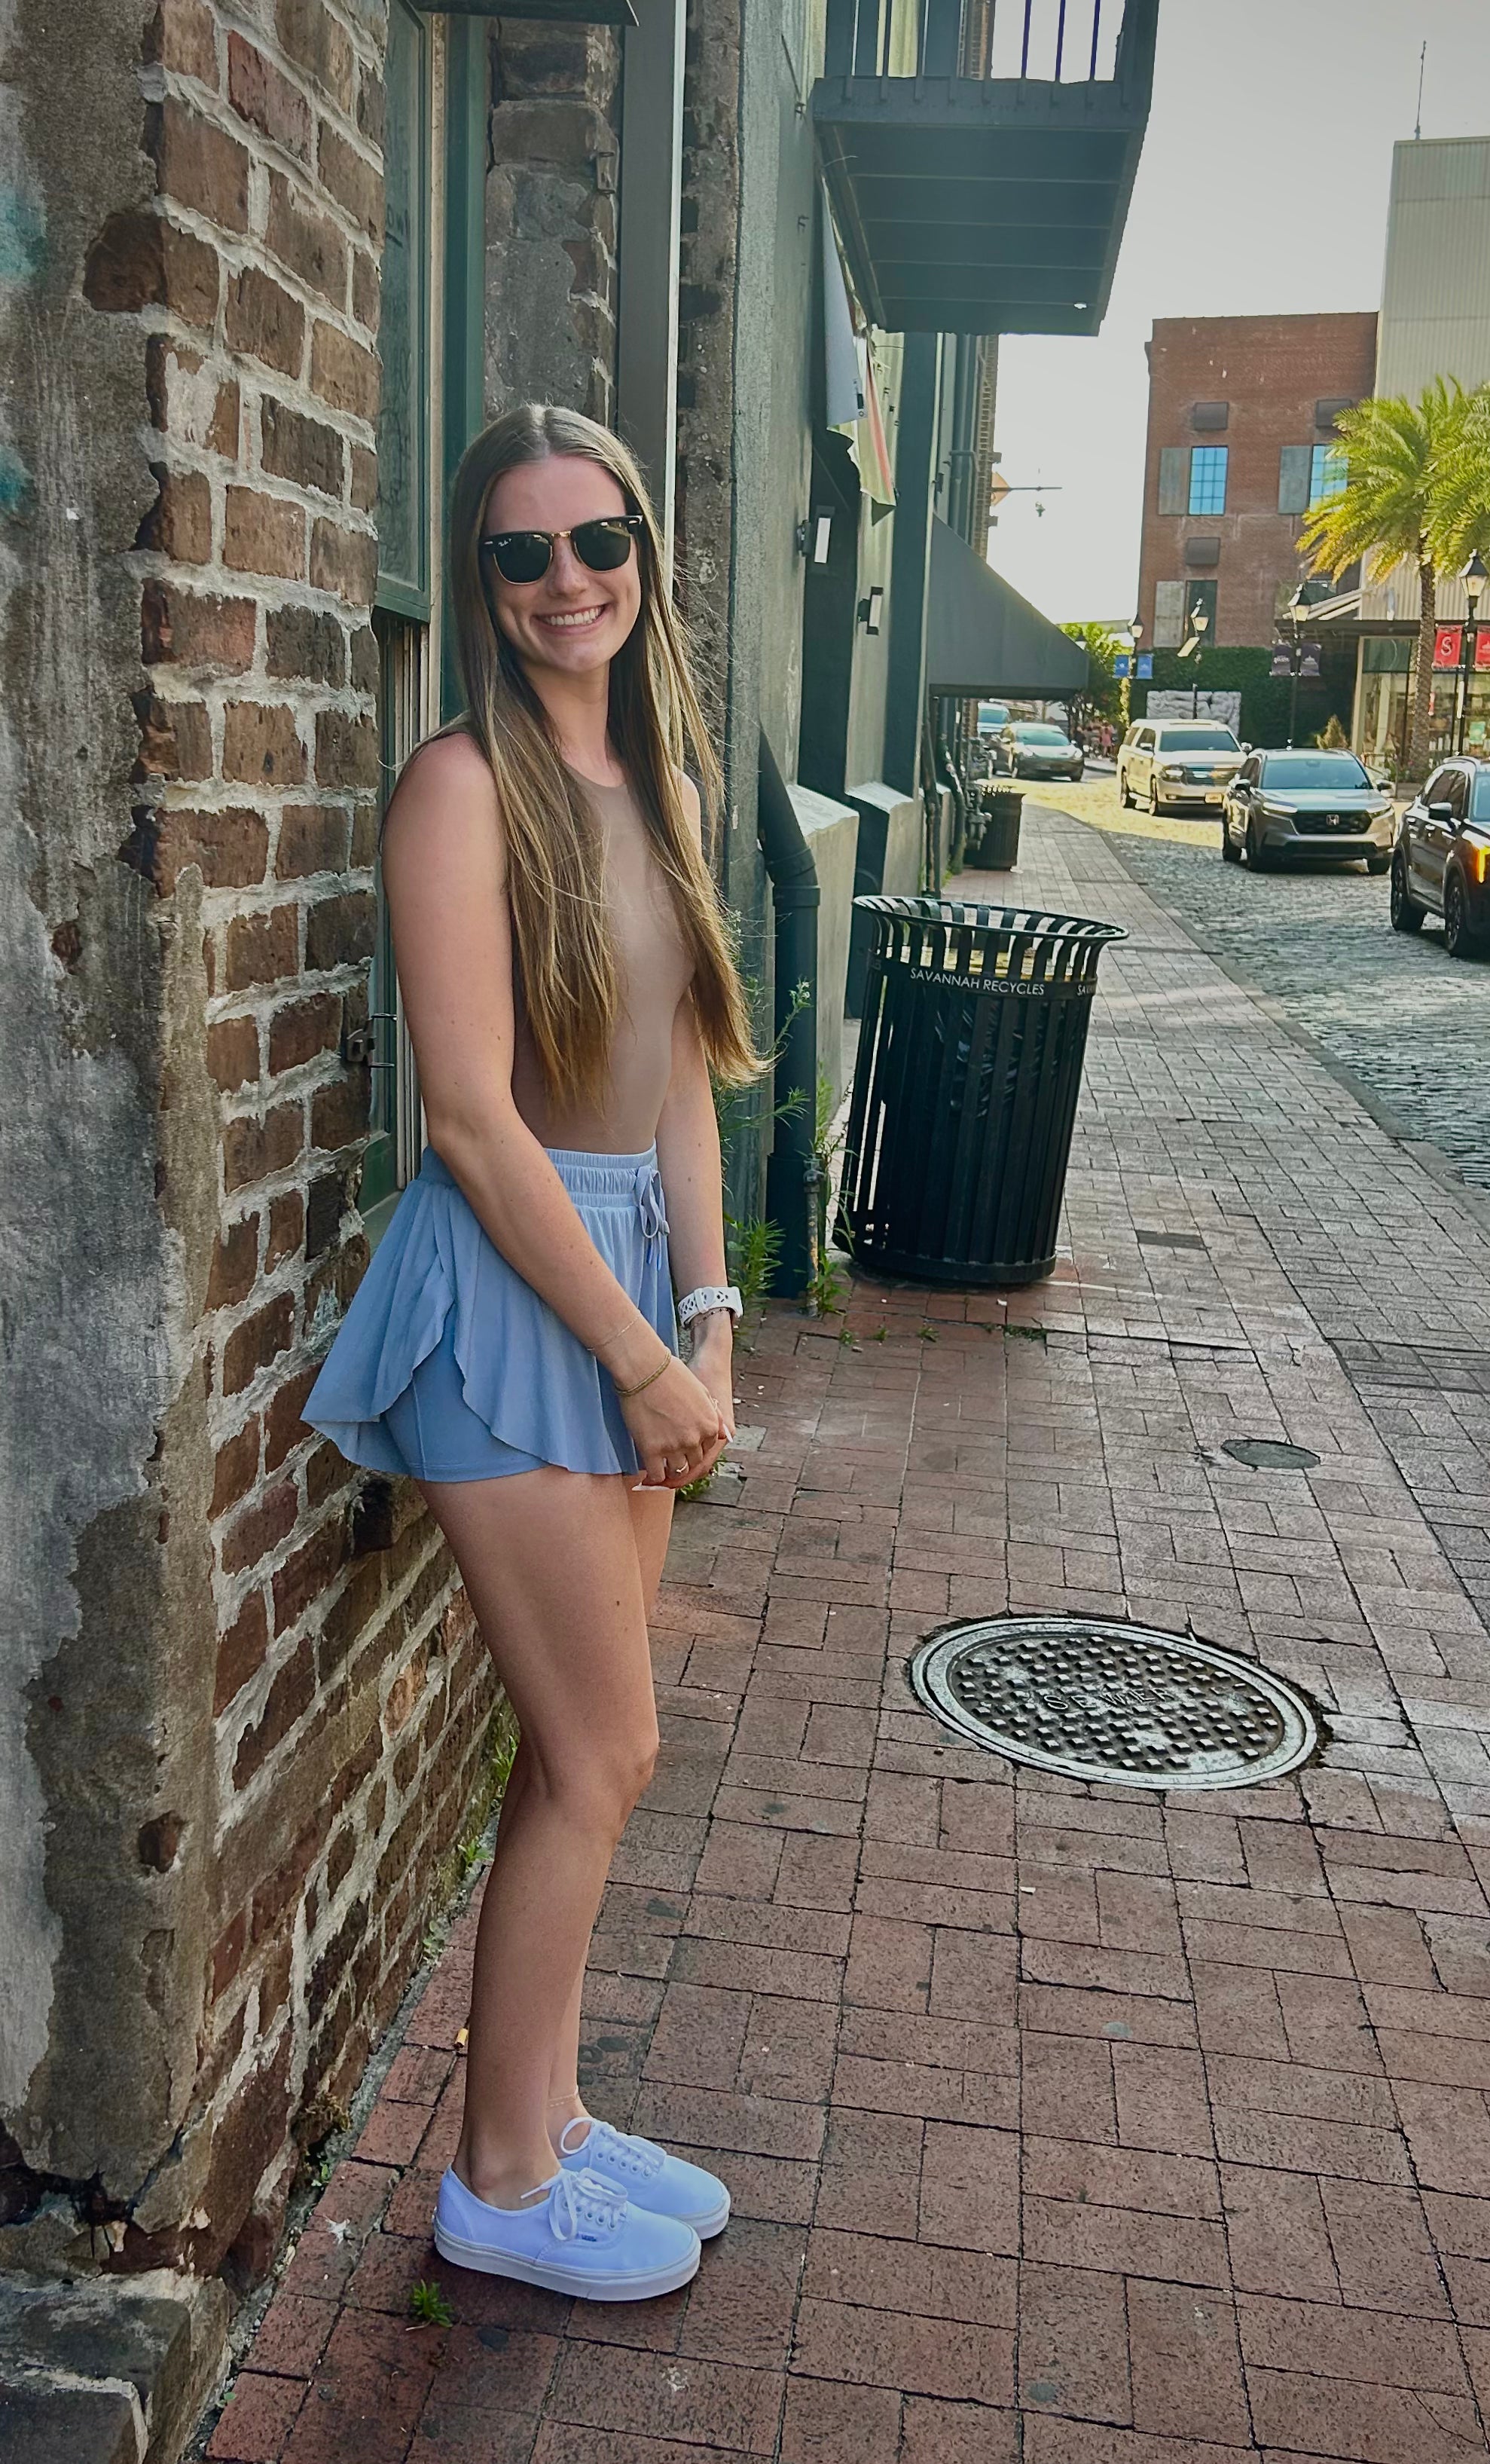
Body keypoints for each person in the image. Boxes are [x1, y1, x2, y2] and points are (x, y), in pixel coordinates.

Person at [304, 402, 759, 2301]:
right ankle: (492, 2183)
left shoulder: (663, 787)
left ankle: (548, 2115)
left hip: (629, 1281)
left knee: (585, 1757)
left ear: (644, 551)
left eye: (597, 541)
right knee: (604, 1744)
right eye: (520, 552)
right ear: (483, 582)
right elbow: (477, 1125)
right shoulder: (460, 789)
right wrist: (637, 1359)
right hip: (507, 1294)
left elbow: (683, 1087)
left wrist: (707, 1318)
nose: (567, 580)